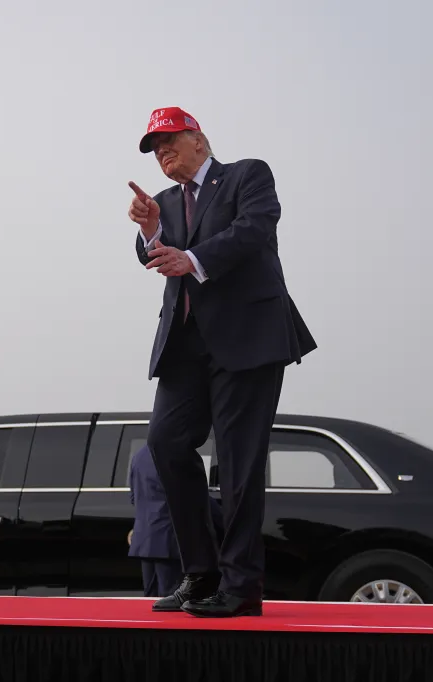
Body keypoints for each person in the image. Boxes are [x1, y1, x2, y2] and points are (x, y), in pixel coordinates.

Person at [126, 108, 317, 617]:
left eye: (168, 142)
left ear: (199, 138)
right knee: (165, 445)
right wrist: (149, 234)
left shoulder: (247, 175)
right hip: (185, 345)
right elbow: (154, 257)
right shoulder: (162, 202)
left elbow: (255, 230)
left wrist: (192, 259)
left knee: (236, 463)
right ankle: (201, 573)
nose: (162, 154)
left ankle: (241, 587)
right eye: (154, 149)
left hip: (247, 339)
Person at [128, 443, 224, 598]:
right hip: (170, 539)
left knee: (150, 599)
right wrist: (223, 517)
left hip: (144, 538)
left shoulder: (139, 455)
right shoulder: (176, 453)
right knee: (171, 598)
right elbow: (193, 495)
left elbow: (134, 498)